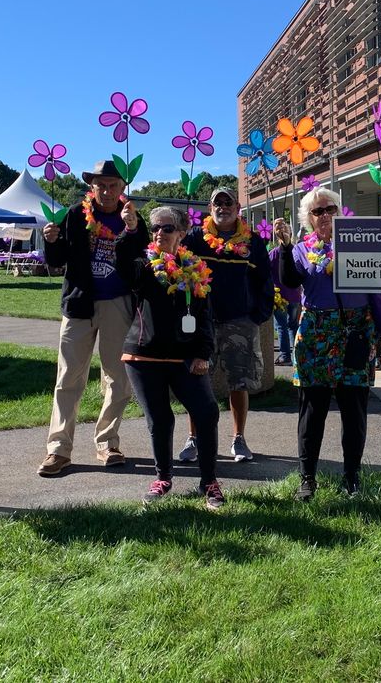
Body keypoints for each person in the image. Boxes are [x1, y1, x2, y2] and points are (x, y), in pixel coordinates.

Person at [277, 188, 381, 500]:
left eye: (330, 209)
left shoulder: (361, 242)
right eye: (317, 211)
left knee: (354, 408)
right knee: (313, 408)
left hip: (356, 331)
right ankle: (307, 478)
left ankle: (352, 478)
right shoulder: (303, 250)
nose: (324, 216)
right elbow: (290, 281)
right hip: (317, 332)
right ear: (308, 218)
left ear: (338, 212)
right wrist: (285, 245)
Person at [37, 160, 146, 477]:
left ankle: (108, 442)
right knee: (68, 377)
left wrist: (134, 228)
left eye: (113, 185)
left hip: (118, 303)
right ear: (92, 188)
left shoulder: (131, 214)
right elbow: (58, 261)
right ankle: (58, 450)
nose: (108, 191)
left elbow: (144, 255)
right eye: (102, 185)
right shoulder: (75, 214)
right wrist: (52, 240)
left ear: (122, 188)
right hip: (80, 304)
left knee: (118, 378)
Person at [115, 206, 225, 508]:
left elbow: (204, 318)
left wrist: (203, 353)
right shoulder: (144, 266)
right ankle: (163, 477)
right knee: (159, 419)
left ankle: (209, 481)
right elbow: (123, 263)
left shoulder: (195, 269)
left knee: (206, 412)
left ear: (181, 232)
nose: (160, 233)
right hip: (144, 357)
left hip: (185, 358)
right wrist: (129, 231)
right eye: (155, 229)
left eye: (167, 228)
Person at [183, 187, 273, 463]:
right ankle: (194, 439)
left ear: (238, 207)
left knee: (239, 381)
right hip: (203, 323)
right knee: (198, 381)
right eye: (217, 202)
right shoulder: (196, 239)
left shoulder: (253, 242)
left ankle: (238, 439)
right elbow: (179, 266)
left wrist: (257, 315)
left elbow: (265, 282)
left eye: (228, 202)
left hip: (239, 321)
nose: (223, 207)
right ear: (210, 208)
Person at [268, 217, 302, 366]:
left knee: (281, 326)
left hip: (279, 297)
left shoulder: (274, 253)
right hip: (295, 295)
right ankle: (297, 355)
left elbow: (266, 272)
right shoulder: (296, 250)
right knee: (293, 325)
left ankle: (284, 355)